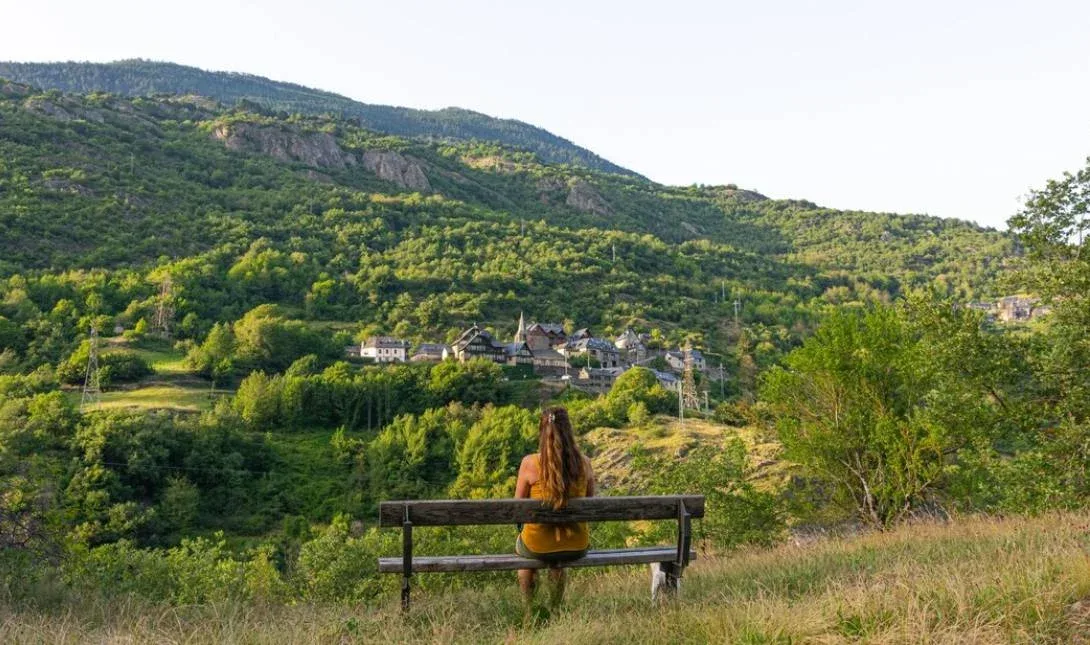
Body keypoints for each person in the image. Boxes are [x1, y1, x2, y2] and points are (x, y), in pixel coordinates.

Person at [514, 406, 596, 609]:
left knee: (524, 551)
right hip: (576, 545)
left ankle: (529, 609)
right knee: (558, 553)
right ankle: (556, 607)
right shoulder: (584, 463)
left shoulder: (529, 463)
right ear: (569, 431)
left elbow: (517, 507)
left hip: (537, 545)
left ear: (541, 432)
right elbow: (590, 501)